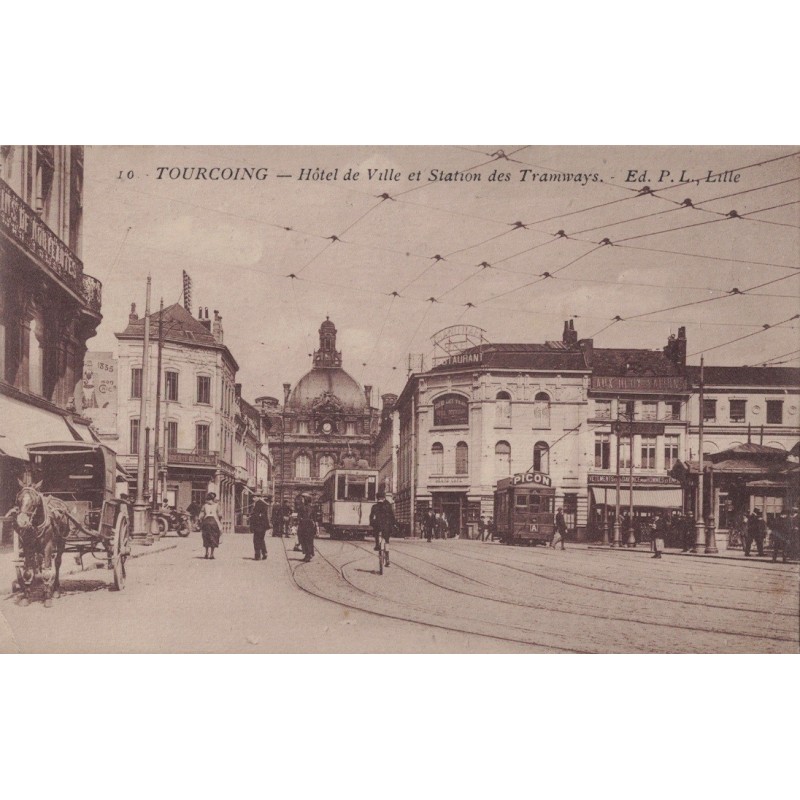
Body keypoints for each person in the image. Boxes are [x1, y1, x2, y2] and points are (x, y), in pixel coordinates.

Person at [370, 491, 397, 565]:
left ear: (377, 498)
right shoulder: (387, 505)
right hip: (386, 526)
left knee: (376, 534)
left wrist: (372, 523)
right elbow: (392, 516)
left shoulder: (374, 506)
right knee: (387, 541)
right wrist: (394, 524)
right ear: (384, 497)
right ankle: (387, 559)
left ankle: (377, 545)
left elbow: (371, 517)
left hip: (378, 526)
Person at [199, 492, 222, 559]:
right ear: (213, 498)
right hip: (214, 522)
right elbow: (220, 515)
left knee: (206, 537)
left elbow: (201, 515)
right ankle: (212, 554)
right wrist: (219, 521)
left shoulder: (204, 506)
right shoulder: (217, 505)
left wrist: (201, 521)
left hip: (206, 522)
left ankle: (206, 553)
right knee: (214, 537)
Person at [249, 495, 270, 561]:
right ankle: (264, 553)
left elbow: (257, 516)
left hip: (258, 526)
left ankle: (257, 556)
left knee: (256, 540)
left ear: (257, 497)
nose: (253, 499)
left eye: (254, 497)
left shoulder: (259, 504)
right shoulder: (263, 504)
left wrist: (251, 517)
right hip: (263, 526)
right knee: (261, 540)